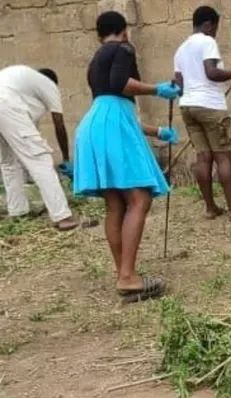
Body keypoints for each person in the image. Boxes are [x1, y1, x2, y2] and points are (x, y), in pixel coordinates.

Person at [74, 11, 181, 303]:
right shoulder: (123, 48)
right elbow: (122, 84)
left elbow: (112, 107)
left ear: (98, 34)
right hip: (112, 125)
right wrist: (158, 89)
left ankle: (124, 272)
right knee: (139, 198)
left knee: (115, 204)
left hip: (93, 125)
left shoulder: (95, 60)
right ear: (124, 31)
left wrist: (158, 131)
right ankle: (128, 277)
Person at [173, 5, 231, 221]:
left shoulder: (180, 50)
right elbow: (212, 73)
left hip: (187, 106)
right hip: (209, 105)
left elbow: (179, 85)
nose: (215, 33)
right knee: (223, 156)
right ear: (208, 25)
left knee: (203, 157)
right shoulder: (207, 42)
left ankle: (210, 208)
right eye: (216, 28)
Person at [0, 65, 82, 230]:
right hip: (6, 105)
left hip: (6, 106)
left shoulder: (23, 83)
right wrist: (66, 158)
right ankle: (62, 216)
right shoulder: (49, 84)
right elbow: (59, 124)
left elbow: (29, 129)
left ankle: (18, 212)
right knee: (40, 160)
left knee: (9, 163)